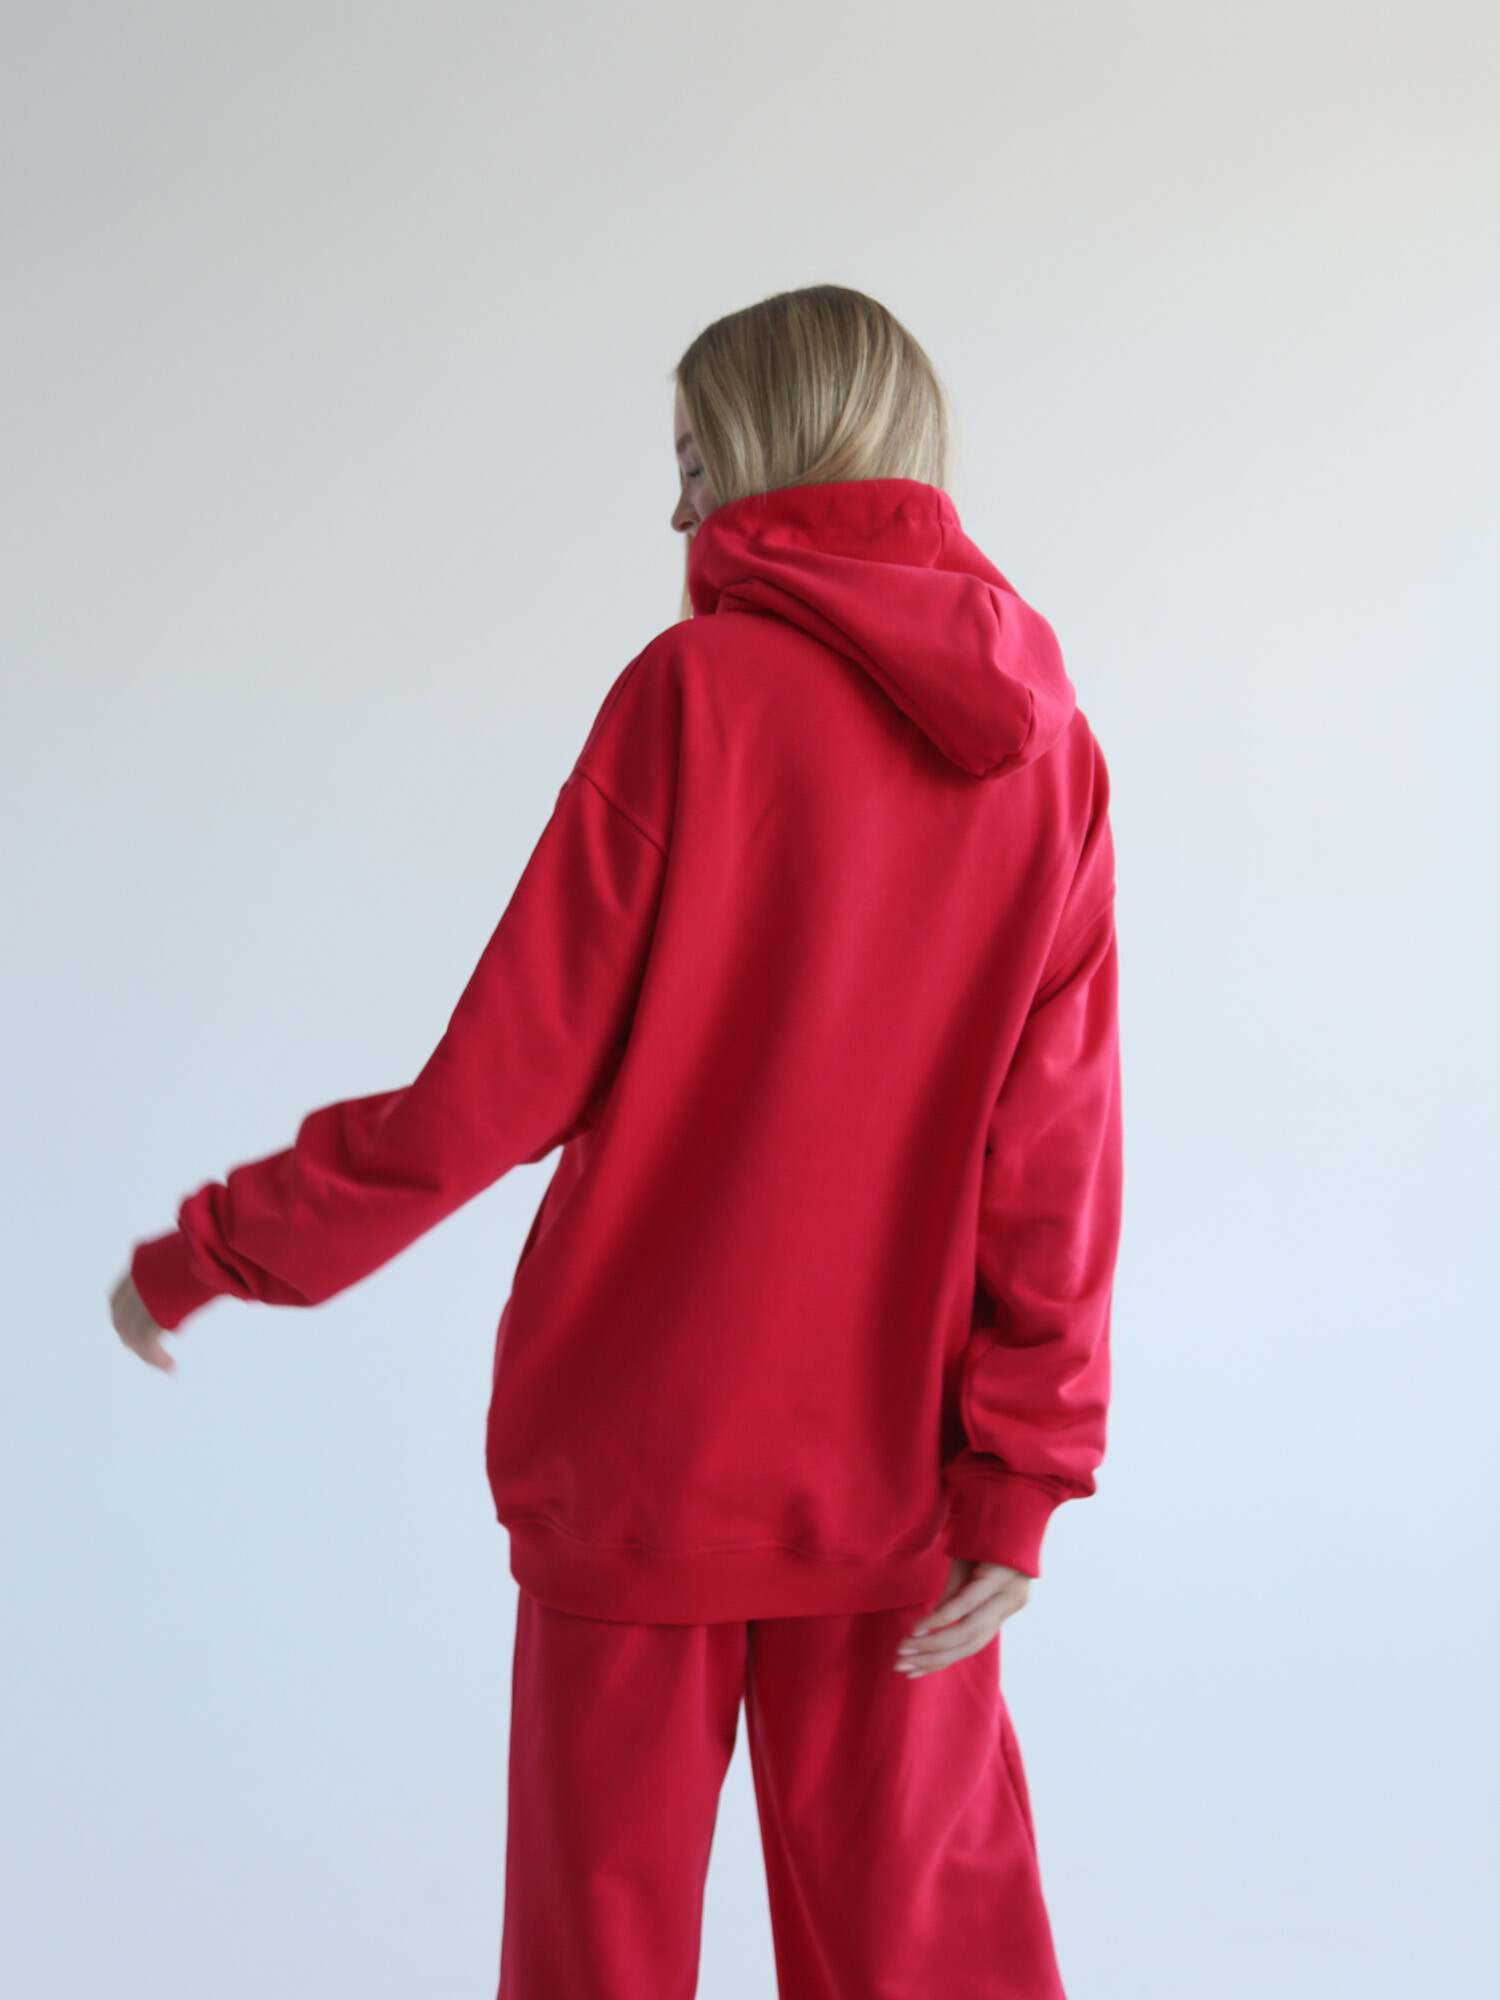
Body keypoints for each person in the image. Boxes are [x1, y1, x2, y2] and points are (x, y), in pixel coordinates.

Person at [111, 283, 1123, 1999]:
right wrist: (1018, 1476)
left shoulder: (691, 697)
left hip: (641, 1469)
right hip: (900, 1483)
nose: (676, 512)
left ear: (778, 451)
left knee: (600, 1952)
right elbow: (1063, 1157)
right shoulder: (1050, 753)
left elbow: (491, 1091)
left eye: (696, 461)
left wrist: (216, 1248)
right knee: (929, 1955)